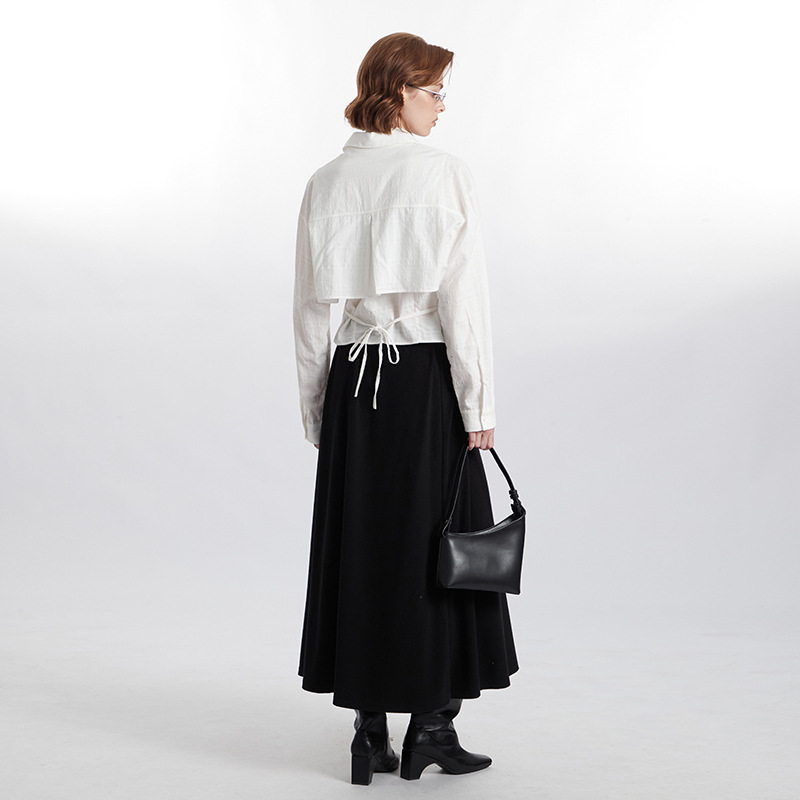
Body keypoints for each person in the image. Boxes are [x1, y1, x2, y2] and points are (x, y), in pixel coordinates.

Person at [292, 32, 518, 785]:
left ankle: (368, 733)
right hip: (424, 379)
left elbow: (308, 311)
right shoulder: (442, 174)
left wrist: (318, 410)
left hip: (354, 383)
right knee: (438, 549)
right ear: (397, 92)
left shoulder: (327, 182)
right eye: (433, 92)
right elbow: (464, 302)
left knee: (362, 546)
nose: (442, 106)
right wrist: (478, 402)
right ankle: (431, 728)